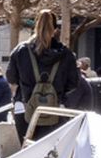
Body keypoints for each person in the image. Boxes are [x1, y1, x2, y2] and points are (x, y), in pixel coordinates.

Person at [6, 10, 86, 138]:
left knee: (28, 152)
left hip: (25, 108)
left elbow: (11, 77)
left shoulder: (21, 51)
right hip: (55, 110)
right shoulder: (65, 53)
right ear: (55, 28)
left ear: (36, 26)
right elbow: (74, 82)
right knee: (50, 154)